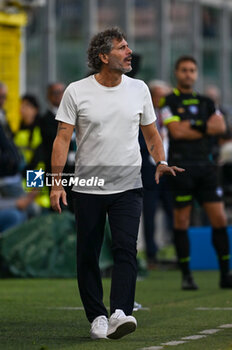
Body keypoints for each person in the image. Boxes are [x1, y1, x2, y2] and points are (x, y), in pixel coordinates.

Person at [50, 27, 183, 340]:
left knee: (126, 249)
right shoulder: (76, 91)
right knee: (88, 254)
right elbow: (62, 138)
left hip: (128, 185)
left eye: (128, 47)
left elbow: (151, 134)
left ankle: (120, 312)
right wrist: (56, 184)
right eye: (122, 48)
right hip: (87, 186)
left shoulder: (139, 89)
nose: (129, 53)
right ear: (103, 56)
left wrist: (160, 160)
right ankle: (96, 316)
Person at [160, 55, 232, 290]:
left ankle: (225, 274)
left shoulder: (206, 101)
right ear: (176, 72)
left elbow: (221, 127)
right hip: (181, 167)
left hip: (206, 168)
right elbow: (176, 131)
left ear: (197, 74)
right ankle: (186, 276)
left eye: (192, 70)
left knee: (219, 219)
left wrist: (191, 125)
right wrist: (204, 127)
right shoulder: (168, 101)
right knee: (182, 221)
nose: (188, 74)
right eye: (184, 70)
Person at [139, 80, 173, 267]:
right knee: (149, 214)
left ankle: (174, 249)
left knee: (173, 211)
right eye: (159, 96)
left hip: (169, 171)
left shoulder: (169, 116)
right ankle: (151, 252)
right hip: (150, 171)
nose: (162, 100)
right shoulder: (143, 117)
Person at [41, 83, 76, 212]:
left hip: (74, 174)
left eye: (62, 92)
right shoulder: (45, 121)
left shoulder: (73, 116)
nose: (60, 96)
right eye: (56, 93)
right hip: (55, 173)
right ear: (48, 96)